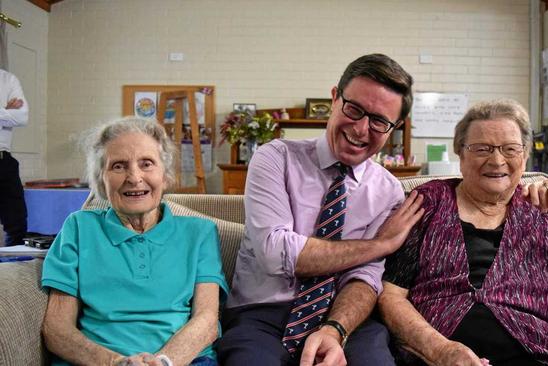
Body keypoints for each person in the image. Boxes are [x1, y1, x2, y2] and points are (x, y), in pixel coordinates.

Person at [379, 99, 548, 366]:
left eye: (510, 149)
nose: (497, 160)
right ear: (461, 155)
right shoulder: (427, 204)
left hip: (533, 357)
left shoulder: (545, 214)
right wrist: (440, 351)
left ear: (525, 155)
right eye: (482, 148)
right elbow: (390, 295)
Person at [216, 54, 424, 366]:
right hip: (261, 315)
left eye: (379, 121)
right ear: (334, 98)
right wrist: (379, 245)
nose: (361, 129)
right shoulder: (276, 158)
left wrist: (335, 329)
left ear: (395, 127)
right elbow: (276, 253)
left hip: (345, 318)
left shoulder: (390, 191)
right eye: (353, 109)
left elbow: (365, 276)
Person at [41, 117, 229, 366]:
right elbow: (57, 329)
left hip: (182, 361)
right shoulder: (78, 227)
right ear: (101, 179)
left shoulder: (200, 233)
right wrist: (117, 363)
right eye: (118, 166)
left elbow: (206, 322)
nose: (134, 177)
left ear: (165, 175)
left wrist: (162, 362)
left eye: (147, 164)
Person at [0, 68, 28, 246]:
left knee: (16, 224)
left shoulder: (7, 79)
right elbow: (12, 117)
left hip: (3, 162)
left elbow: (22, 117)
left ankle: (10, 269)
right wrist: (4, 109)